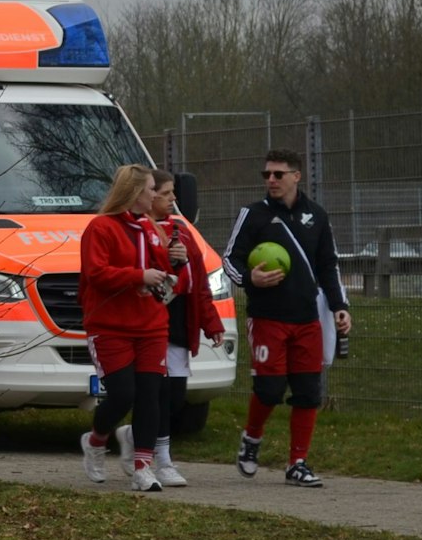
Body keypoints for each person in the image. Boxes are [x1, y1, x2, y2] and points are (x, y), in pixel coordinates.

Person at [222, 149, 351, 487]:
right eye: (267, 175)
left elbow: (328, 265)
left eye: (279, 174)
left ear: (297, 176)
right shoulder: (253, 214)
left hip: (307, 319)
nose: (272, 181)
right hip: (268, 318)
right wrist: (252, 279)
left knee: (309, 393)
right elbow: (230, 261)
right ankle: (251, 439)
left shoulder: (317, 216)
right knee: (269, 389)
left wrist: (340, 307)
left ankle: (297, 463)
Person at [77, 163, 174, 493]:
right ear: (134, 192)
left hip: (151, 324)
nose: (155, 194)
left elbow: (159, 271)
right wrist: (138, 276)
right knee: (122, 394)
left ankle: (143, 468)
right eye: (150, 189)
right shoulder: (101, 228)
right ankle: (95, 441)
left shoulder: (152, 228)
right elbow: (96, 273)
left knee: (150, 394)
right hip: (110, 325)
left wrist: (174, 263)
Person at [132, 168, 227, 487]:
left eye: (174, 192)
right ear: (149, 195)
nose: (174, 198)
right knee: (154, 393)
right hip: (147, 323)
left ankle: (134, 436)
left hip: (178, 326)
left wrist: (212, 323)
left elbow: (199, 283)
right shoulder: (135, 230)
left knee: (174, 396)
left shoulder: (183, 232)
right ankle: (162, 461)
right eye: (167, 193)